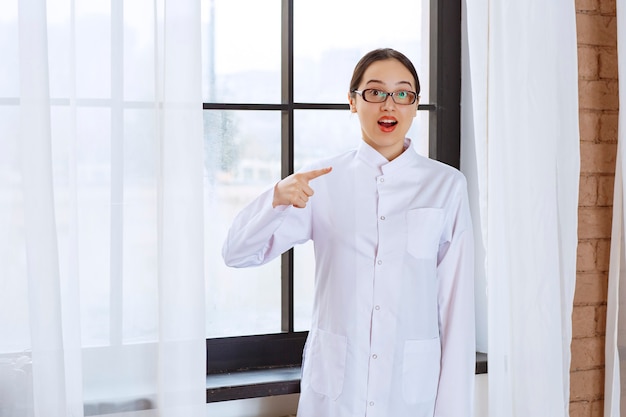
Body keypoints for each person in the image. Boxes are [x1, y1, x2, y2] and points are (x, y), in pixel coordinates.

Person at [222, 48, 475, 417]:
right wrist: (275, 199)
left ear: (415, 105)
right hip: (336, 393)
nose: (389, 105)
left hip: (409, 394)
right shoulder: (321, 180)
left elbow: (456, 308)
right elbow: (236, 253)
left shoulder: (446, 186)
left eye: (403, 94)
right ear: (353, 102)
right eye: (375, 92)